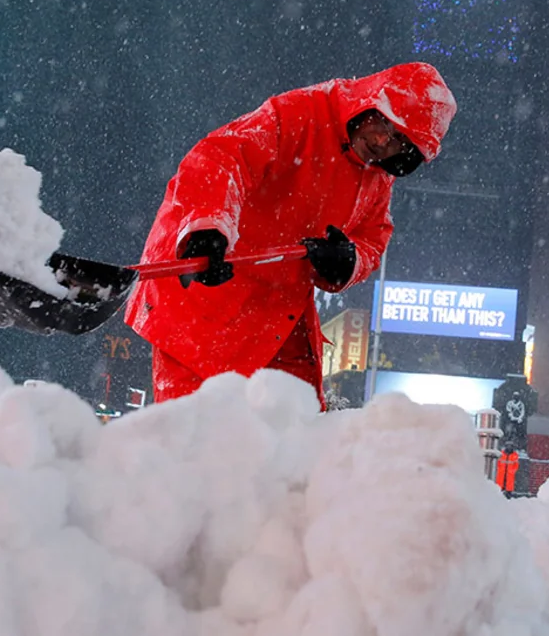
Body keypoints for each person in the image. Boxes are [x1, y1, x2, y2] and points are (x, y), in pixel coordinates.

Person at [125, 63, 457, 407]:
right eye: (384, 124)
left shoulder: (377, 175)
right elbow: (223, 156)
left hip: (277, 312)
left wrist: (348, 261)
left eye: (399, 142)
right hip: (201, 298)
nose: (381, 142)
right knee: (198, 440)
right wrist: (208, 225)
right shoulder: (302, 113)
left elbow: (374, 236)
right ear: (369, 103)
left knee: (296, 435)